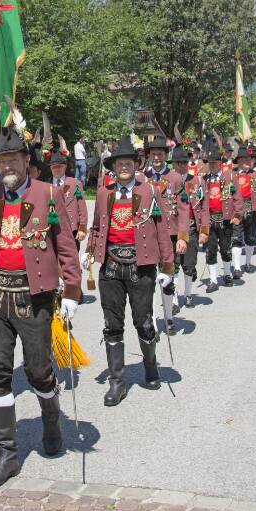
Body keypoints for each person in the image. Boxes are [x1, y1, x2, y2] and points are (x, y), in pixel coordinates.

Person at [0, 126, 81, 489]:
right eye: (1, 159)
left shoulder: (47, 194)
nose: (7, 165)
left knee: (40, 370)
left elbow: (65, 245)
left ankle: (51, 419)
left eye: (13, 158)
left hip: (35, 297)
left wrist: (72, 291)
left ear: (27, 161)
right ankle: (7, 454)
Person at [86, 135, 173, 405]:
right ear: (113, 167)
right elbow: (98, 226)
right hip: (111, 266)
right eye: (119, 163)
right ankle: (117, 381)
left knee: (144, 322)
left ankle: (150, 367)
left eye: (128, 163)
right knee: (112, 325)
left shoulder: (149, 192)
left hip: (141, 265)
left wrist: (167, 266)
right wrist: (89, 252)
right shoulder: (104, 192)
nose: (123, 167)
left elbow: (162, 229)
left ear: (136, 166)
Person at [142, 133, 190, 334]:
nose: (156, 158)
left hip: (169, 235)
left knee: (167, 277)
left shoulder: (175, 178)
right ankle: (151, 319)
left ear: (166, 155)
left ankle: (169, 318)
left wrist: (182, 236)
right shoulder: (141, 178)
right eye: (153, 154)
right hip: (146, 235)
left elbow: (184, 209)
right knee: (146, 280)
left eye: (160, 154)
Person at [171, 146, 210, 309]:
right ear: (173, 164)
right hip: (172, 229)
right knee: (172, 265)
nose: (182, 165)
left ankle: (187, 295)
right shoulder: (167, 182)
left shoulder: (198, 181)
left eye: (184, 162)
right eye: (178, 162)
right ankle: (172, 299)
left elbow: (204, 207)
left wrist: (204, 230)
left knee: (189, 264)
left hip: (192, 228)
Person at [201, 145, 243, 291]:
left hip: (225, 219)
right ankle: (213, 280)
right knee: (210, 250)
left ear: (220, 163)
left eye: (214, 162)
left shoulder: (229, 177)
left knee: (225, 248)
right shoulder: (203, 179)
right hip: (209, 220)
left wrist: (238, 214)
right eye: (210, 163)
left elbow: (237, 197)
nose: (211, 165)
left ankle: (227, 274)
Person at [231, 144, 256, 276]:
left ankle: (247, 263)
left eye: (250, 159)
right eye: (245, 159)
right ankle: (236, 267)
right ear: (239, 161)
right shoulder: (231, 176)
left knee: (250, 237)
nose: (249, 161)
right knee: (235, 238)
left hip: (252, 211)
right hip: (235, 211)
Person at [49, 148, 88, 246]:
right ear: (50, 168)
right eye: (54, 167)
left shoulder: (75, 183)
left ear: (65, 167)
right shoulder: (45, 185)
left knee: (72, 260)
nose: (57, 169)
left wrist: (82, 228)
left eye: (60, 166)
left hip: (72, 230)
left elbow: (82, 207)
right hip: (51, 231)